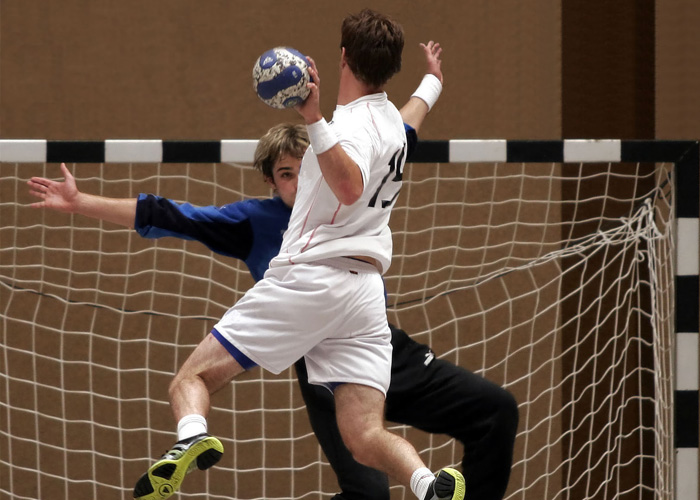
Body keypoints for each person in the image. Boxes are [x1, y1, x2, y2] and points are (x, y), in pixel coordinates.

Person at [29, 17, 515, 500]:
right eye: (287, 172)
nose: (300, 178)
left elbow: (348, 186)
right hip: (362, 291)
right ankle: (429, 485)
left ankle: (192, 435)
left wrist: (313, 117)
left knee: (192, 377)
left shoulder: (342, 129)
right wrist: (432, 81)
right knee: (365, 435)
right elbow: (412, 115)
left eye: (304, 166)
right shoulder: (389, 127)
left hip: (314, 280)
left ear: (342, 57)